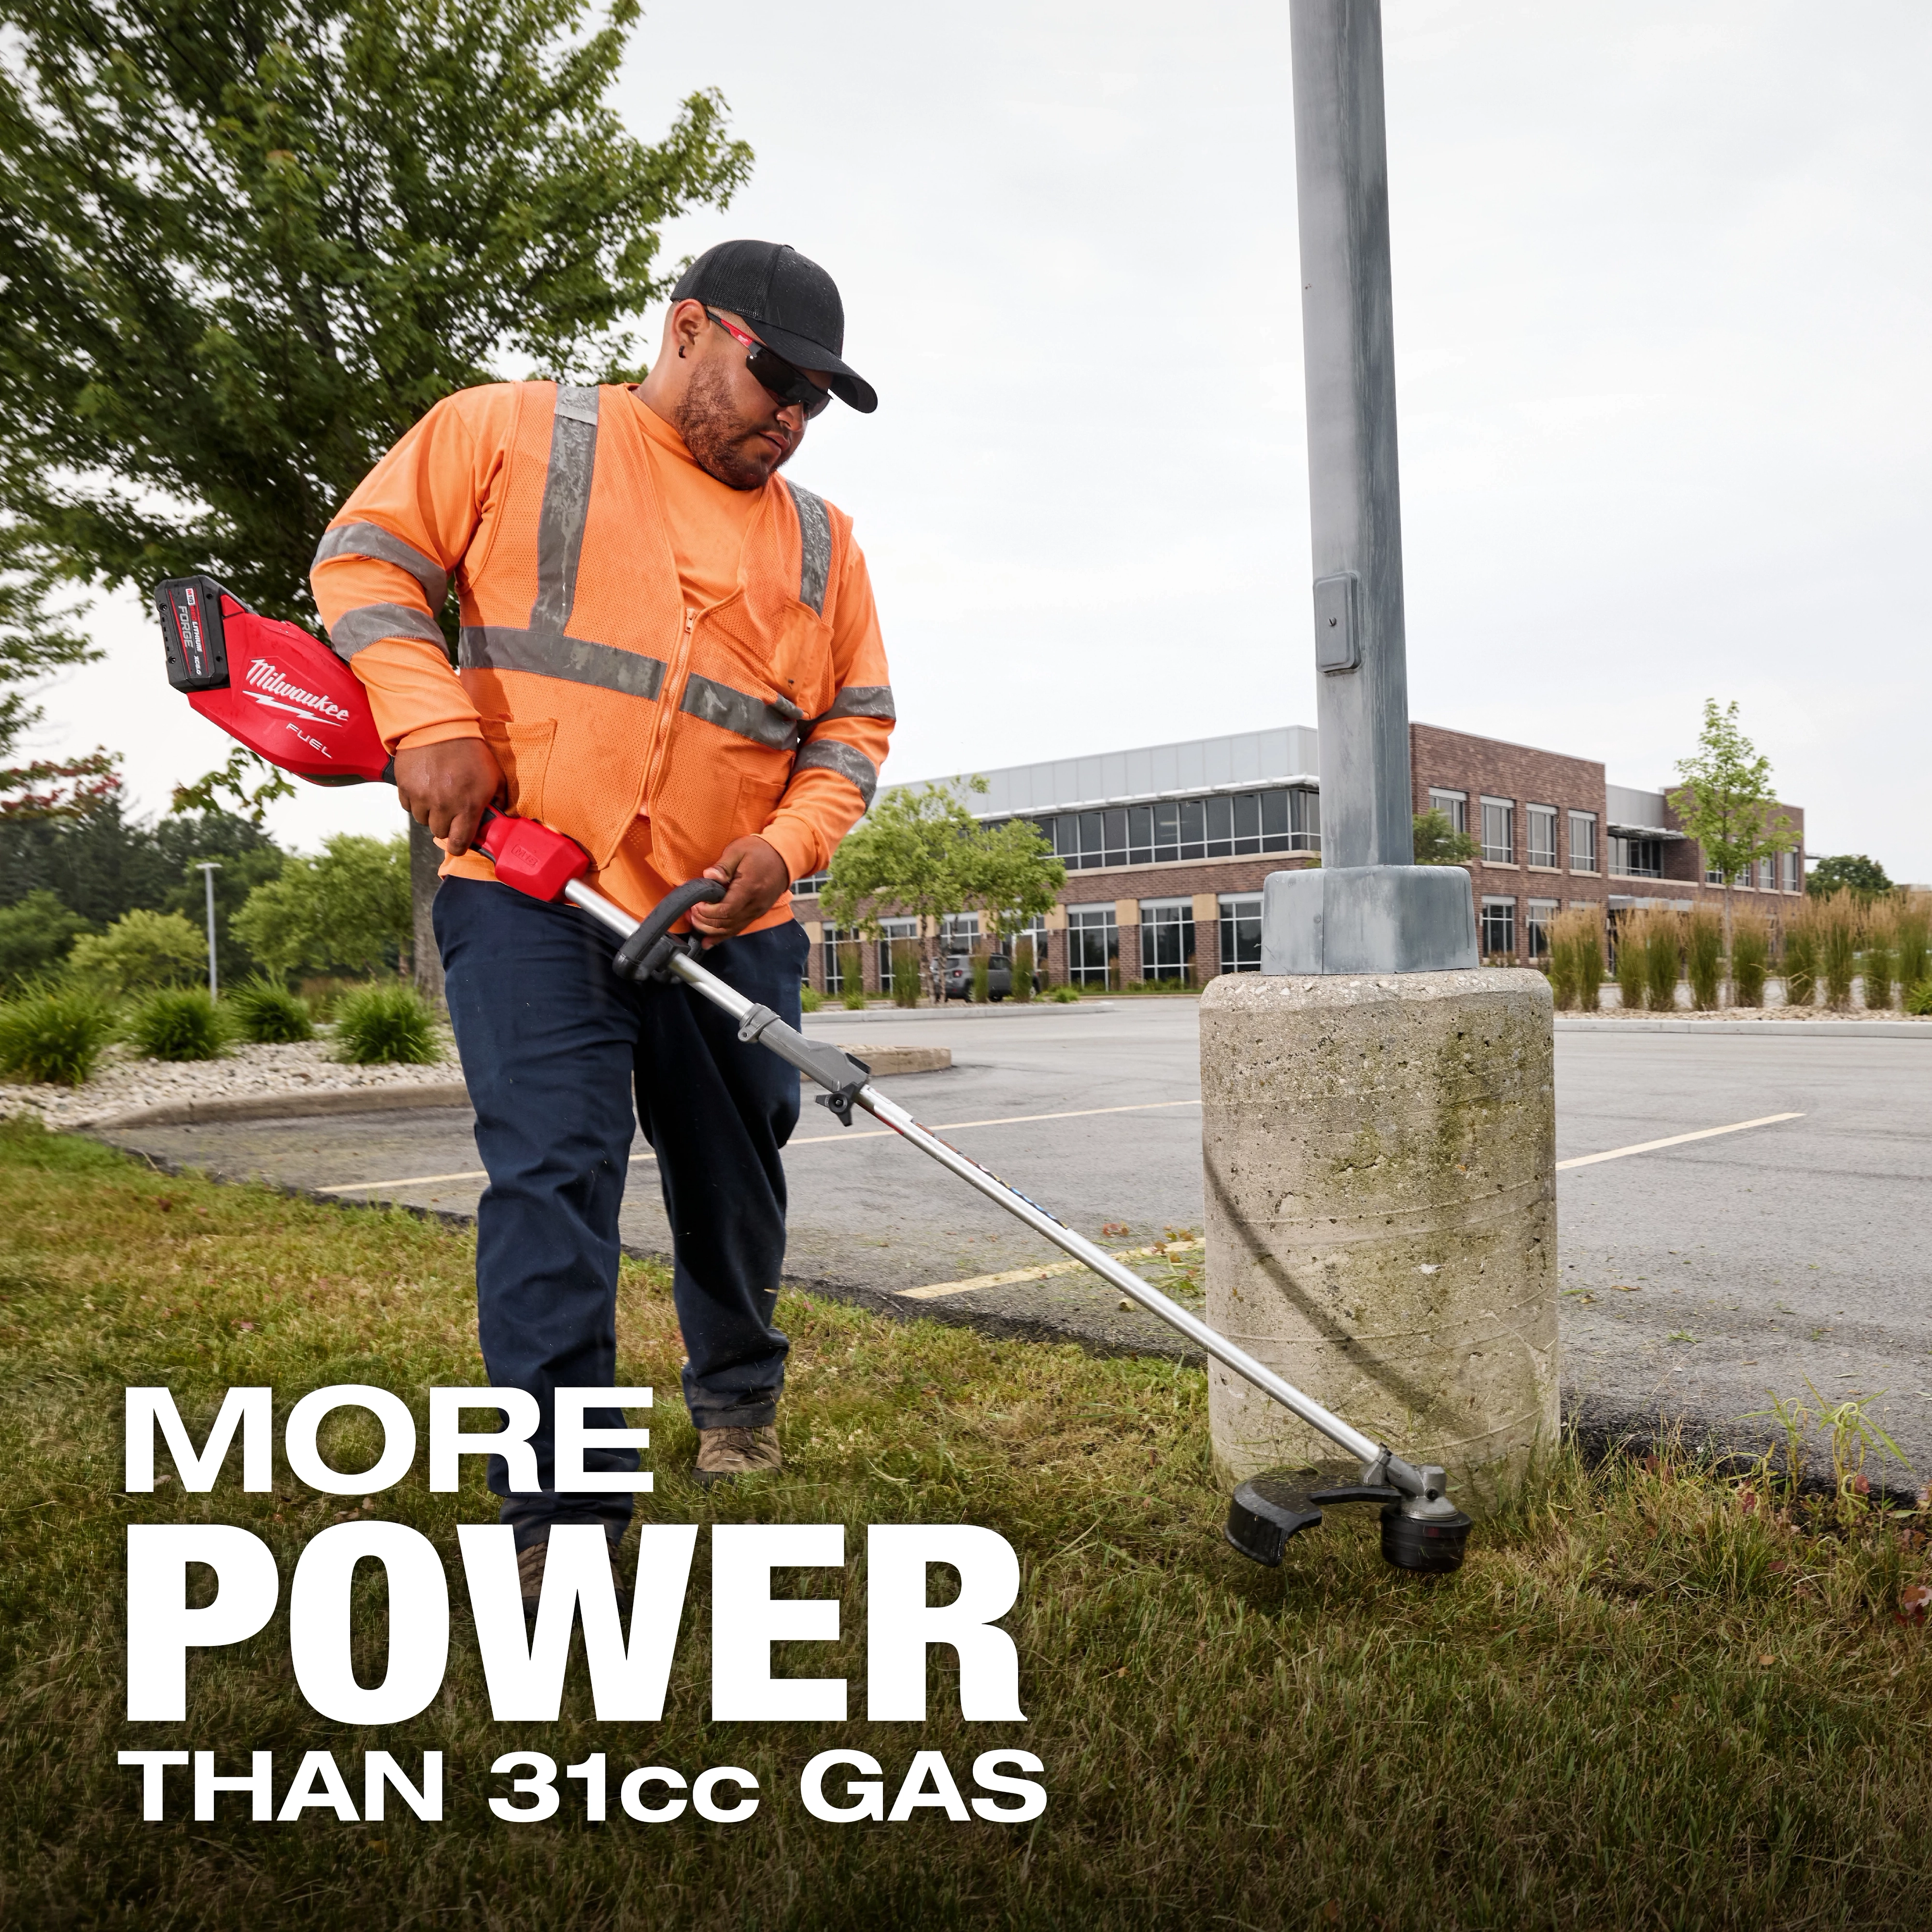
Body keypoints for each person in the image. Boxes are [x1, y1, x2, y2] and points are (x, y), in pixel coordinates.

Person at [310, 240, 892, 1604]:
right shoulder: (507, 431)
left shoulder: (824, 542)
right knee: (553, 1176)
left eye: (817, 398)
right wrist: (429, 715)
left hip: (722, 918)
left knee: (735, 1169)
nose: (794, 414)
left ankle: (736, 1390)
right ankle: (564, 1514)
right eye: (777, 376)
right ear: (688, 329)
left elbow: (853, 729)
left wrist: (782, 850)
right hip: (531, 895)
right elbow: (366, 559)